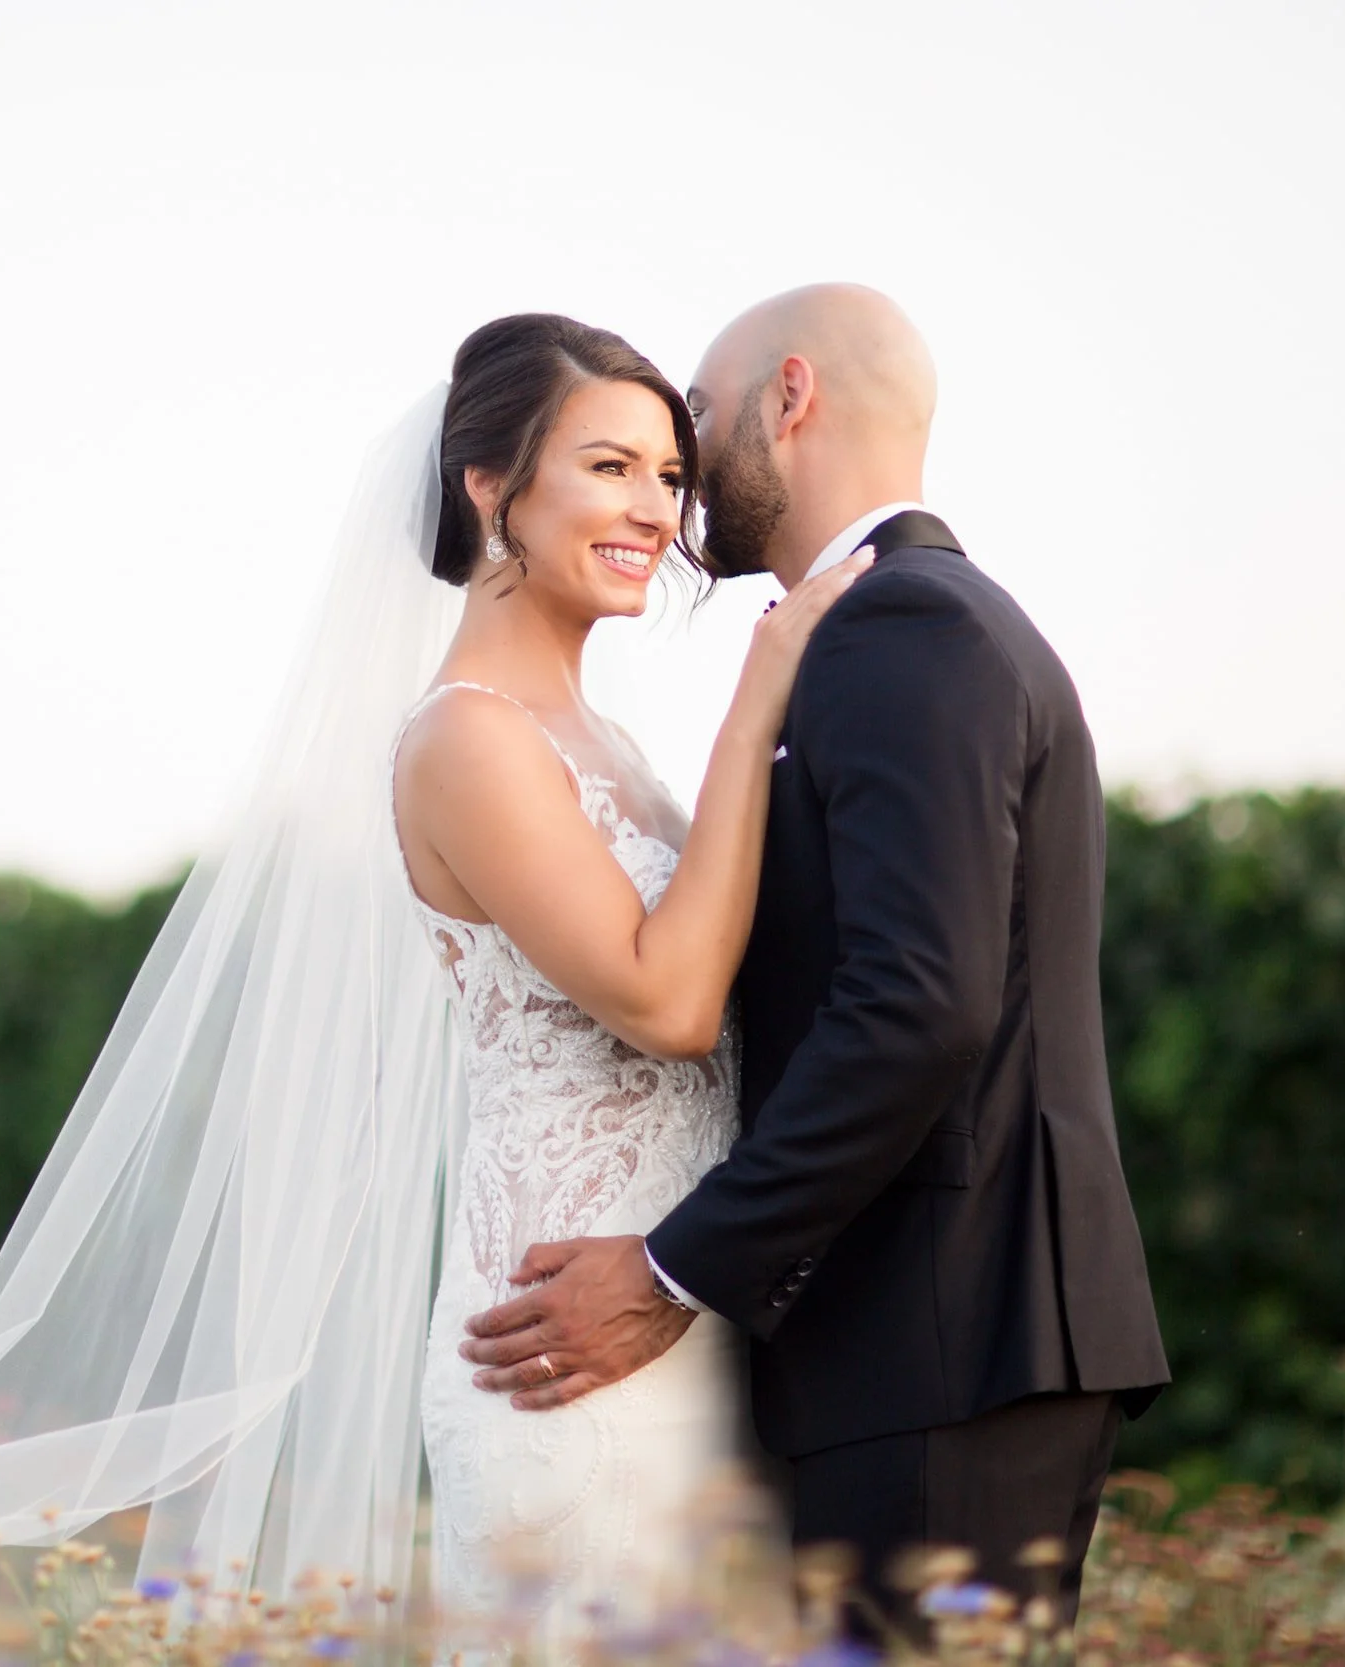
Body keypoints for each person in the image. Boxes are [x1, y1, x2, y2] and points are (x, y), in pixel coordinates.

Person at [456, 285, 1171, 1640]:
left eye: (695, 435)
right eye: (622, 463)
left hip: (946, 1334)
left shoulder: (906, 628)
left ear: (792, 399)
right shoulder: (885, 630)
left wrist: (675, 1266)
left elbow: (918, 1005)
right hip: (910, 1344)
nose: (674, 492)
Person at [387, 313, 862, 1656]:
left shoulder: (602, 742)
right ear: (490, 484)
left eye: (667, 475)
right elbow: (667, 1003)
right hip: (563, 1351)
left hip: (680, 1312)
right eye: (608, 467)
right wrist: (764, 688)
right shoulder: (468, 741)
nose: (655, 509)